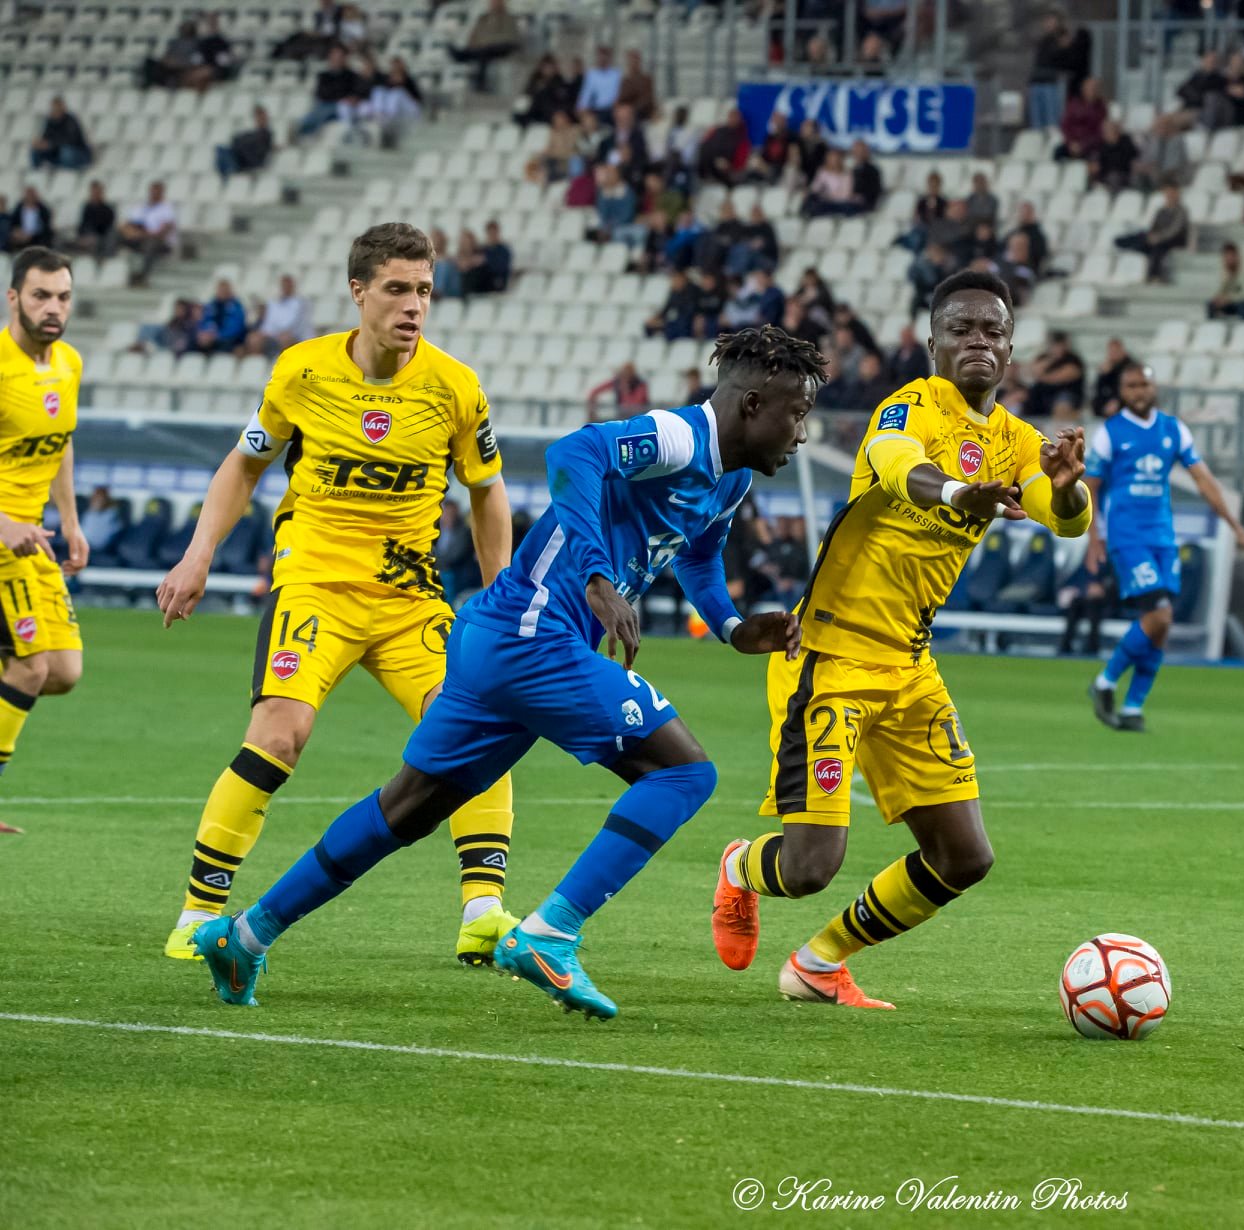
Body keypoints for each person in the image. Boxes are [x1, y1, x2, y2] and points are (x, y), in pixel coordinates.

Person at [192, 326, 822, 1016]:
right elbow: (574, 452)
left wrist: (731, 625)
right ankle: (550, 934)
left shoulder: (730, 478)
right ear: (753, 405)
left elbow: (697, 554)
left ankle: (244, 936)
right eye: (797, 414)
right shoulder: (677, 437)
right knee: (684, 773)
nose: (802, 433)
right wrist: (597, 574)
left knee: (407, 808)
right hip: (532, 633)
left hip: (499, 638)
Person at [709, 272, 1091, 1010]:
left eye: (992, 331)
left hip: (909, 667)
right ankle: (738, 868)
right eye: (961, 329)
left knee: (964, 857)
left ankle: (819, 962)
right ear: (933, 344)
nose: (978, 341)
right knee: (810, 866)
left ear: (1011, 350)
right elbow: (894, 465)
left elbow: (1064, 515)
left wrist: (1068, 486)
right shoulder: (908, 407)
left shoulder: (1016, 440)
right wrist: (957, 492)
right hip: (828, 658)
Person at [155, 224, 519, 966]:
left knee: (479, 721)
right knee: (279, 735)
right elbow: (243, 465)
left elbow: (487, 492)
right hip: (314, 588)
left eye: (424, 290)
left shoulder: (455, 387)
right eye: (397, 289)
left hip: (408, 599)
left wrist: (504, 597)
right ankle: (198, 914)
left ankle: (483, 910)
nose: (414, 305)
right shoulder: (303, 372)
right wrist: (198, 555)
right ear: (359, 291)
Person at [1086, 365, 1244, 731]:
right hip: (1127, 536)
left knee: (1160, 627)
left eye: (1144, 384)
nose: (1139, 391)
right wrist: (1093, 539)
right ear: (1122, 391)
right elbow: (1090, 487)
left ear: (1154, 387)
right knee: (1160, 615)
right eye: (1131, 385)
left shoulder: (1173, 429)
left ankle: (1133, 707)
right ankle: (1105, 681)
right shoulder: (1110, 433)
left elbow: (1204, 481)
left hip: (1164, 539)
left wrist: (1237, 530)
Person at [0, 248, 88, 783]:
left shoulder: (68, 363)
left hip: (32, 536)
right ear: (14, 298)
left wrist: (71, 522)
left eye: (63, 297)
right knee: (29, 667)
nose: (53, 307)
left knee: (61, 670)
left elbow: (61, 442)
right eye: (40, 296)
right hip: (3, 537)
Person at [1113, 182, 1189, 281]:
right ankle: (1128, 243)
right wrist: (1151, 236)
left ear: (1176, 194)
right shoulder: (1161, 210)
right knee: (1141, 236)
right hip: (1158, 237)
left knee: (1158, 247)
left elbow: (1174, 230)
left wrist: (1158, 237)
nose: (1168, 196)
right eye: (1167, 194)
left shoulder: (1181, 211)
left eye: (1171, 193)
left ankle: (1154, 276)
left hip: (1174, 240)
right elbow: (1153, 227)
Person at [118, 181, 179, 285]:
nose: (154, 194)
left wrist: (142, 234)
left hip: (160, 242)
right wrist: (130, 232)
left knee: (151, 243)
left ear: (162, 193)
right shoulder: (141, 207)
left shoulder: (167, 209)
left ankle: (143, 276)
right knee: (116, 235)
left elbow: (162, 232)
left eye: (157, 191)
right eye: (152, 191)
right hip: (138, 239)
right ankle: (106, 266)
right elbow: (125, 225)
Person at [241, 274, 310, 357]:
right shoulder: (274, 302)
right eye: (284, 285)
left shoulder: (300, 303)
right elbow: (269, 322)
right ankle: (257, 362)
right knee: (253, 339)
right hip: (274, 333)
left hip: (292, 334)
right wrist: (264, 332)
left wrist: (279, 332)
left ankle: (283, 361)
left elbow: (295, 324)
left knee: (285, 339)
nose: (285, 287)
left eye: (288, 285)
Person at [28, 98, 90, 171]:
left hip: (77, 153)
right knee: (35, 150)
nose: (56, 110)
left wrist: (50, 144)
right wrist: (41, 144)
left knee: (66, 152)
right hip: (57, 153)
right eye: (54, 109)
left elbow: (71, 140)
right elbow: (46, 138)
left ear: (63, 108)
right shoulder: (50, 122)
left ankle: (68, 171)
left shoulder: (71, 120)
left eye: (57, 108)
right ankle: (36, 172)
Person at [215, 105, 275, 181]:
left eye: (261, 116)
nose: (259, 119)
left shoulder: (266, 133)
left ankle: (228, 174)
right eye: (257, 116)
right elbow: (236, 139)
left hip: (250, 161)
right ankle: (227, 174)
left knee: (224, 151)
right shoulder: (255, 133)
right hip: (242, 157)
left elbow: (244, 144)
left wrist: (242, 144)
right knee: (220, 149)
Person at [193, 280, 247, 355]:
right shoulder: (210, 305)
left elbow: (236, 327)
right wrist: (205, 333)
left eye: (225, 291)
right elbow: (203, 321)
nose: (222, 293)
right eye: (221, 290)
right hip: (210, 337)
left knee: (226, 345)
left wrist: (217, 335)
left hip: (229, 338)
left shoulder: (236, 307)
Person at [1206, 241, 1244, 318]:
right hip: (1229, 303)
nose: (1228, 260)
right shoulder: (1226, 273)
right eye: (1225, 257)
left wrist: (1229, 299)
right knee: (1211, 304)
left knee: (1243, 306)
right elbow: (1220, 293)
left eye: (1230, 257)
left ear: (1236, 257)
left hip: (1240, 303)